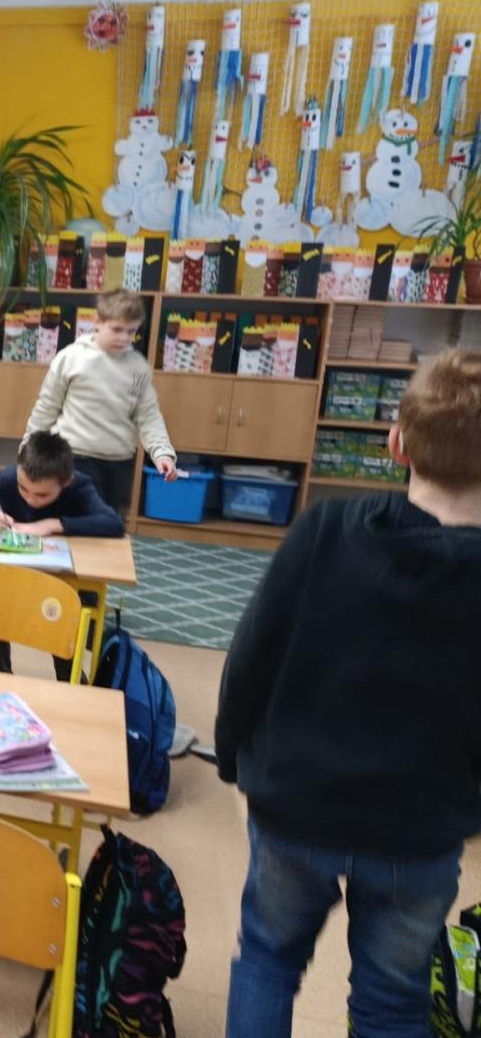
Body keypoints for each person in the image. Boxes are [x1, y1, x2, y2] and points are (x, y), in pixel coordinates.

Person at [217, 350, 481, 1038]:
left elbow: (251, 652)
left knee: (267, 959)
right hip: (420, 830)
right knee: (392, 1001)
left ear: (396, 443)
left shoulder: (325, 528)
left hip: (295, 804)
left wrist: (231, 755)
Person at [0, 431, 124, 678]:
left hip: (60, 584)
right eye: (24, 489)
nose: (31, 499)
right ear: (19, 473)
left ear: (65, 481)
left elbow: (114, 524)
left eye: (42, 494)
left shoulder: (78, 485)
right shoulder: (8, 479)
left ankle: (70, 683)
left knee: (60, 624)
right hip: (8, 578)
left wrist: (54, 524)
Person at [24, 287, 177, 514]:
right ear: (97, 322)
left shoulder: (138, 367)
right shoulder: (72, 358)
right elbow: (47, 407)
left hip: (120, 462)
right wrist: (28, 449)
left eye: (131, 331)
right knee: (75, 521)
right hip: (74, 457)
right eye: (116, 329)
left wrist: (162, 453)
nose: (124, 338)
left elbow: (148, 415)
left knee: (109, 524)